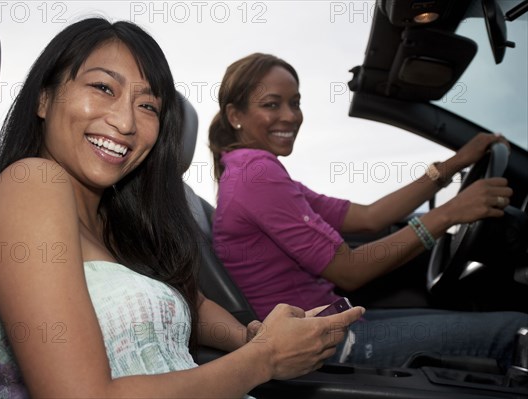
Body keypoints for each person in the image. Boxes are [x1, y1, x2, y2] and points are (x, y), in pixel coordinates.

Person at [0, 21, 364, 398]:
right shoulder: (32, 186)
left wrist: (254, 337)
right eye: (104, 87)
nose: (125, 122)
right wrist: (265, 358)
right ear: (44, 97)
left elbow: (188, 302)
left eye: (149, 106)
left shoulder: (116, 221)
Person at [209, 52, 528, 369]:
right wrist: (449, 214)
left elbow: (369, 216)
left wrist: (454, 164)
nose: (291, 116)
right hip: (324, 347)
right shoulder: (257, 175)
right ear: (236, 114)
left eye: (296, 102)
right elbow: (350, 271)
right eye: (272, 104)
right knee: (516, 332)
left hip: (334, 325)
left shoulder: (251, 171)